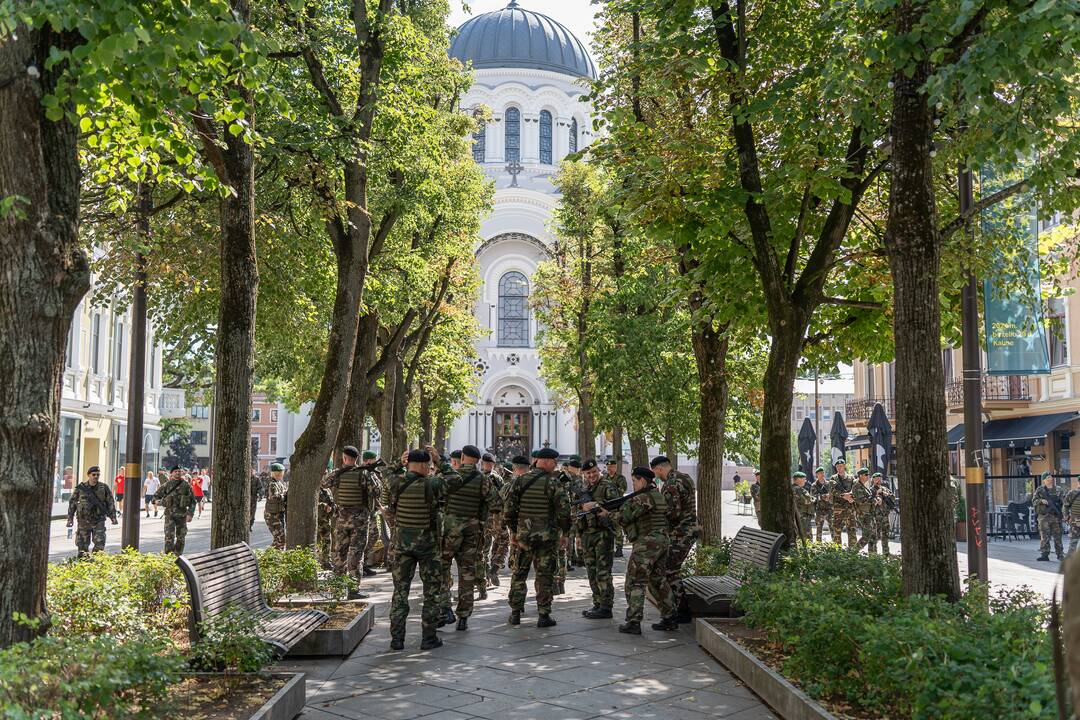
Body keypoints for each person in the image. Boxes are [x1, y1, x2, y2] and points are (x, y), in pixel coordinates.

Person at [504, 446, 571, 627]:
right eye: (555, 463)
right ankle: (543, 615)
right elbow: (564, 512)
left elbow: (508, 510)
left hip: (524, 537)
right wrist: (565, 533)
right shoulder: (553, 483)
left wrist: (514, 531)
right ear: (547, 461)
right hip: (546, 539)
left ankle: (515, 613)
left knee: (519, 574)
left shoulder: (520, 481)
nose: (556, 466)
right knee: (544, 576)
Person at [387, 449, 447, 651]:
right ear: (423, 465)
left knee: (400, 593)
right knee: (431, 593)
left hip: (402, 546)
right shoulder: (433, 484)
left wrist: (398, 462)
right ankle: (428, 638)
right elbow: (455, 479)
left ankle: (397, 640)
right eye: (429, 465)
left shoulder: (395, 482)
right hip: (428, 548)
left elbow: (386, 474)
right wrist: (440, 461)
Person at [606, 467, 677, 635]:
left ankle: (633, 621)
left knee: (635, 581)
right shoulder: (658, 495)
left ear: (642, 481)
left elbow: (624, 517)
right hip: (662, 541)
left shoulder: (642, 498)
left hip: (647, 544)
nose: (633, 485)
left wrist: (606, 514)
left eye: (634, 481)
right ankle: (670, 617)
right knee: (658, 580)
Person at [439, 445, 496, 631]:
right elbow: (496, 503)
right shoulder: (483, 480)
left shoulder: (451, 477)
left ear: (462, 457)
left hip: (450, 530)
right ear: (478, 461)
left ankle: (445, 607)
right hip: (472, 532)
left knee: (442, 568)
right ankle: (463, 617)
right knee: (467, 572)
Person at [651, 455, 700, 623]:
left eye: (656, 473)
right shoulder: (684, 477)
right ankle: (679, 609)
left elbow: (672, 513)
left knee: (669, 569)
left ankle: (681, 610)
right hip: (689, 529)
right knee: (671, 568)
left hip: (681, 532)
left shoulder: (671, 484)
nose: (657, 476)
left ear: (659, 469)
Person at [322, 447, 376, 591]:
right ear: (357, 458)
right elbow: (377, 491)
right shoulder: (364, 473)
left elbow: (323, 484)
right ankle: (353, 590)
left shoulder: (337, 474)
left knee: (340, 552)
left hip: (341, 520)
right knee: (356, 553)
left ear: (344, 458)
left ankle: (337, 588)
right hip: (360, 521)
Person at [578, 459, 619, 619]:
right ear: (584, 474)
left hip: (603, 534)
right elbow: (580, 514)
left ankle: (606, 606)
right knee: (591, 571)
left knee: (603, 571)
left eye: (594, 471)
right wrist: (578, 535)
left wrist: (596, 504)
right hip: (587, 534)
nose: (591, 475)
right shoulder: (585, 488)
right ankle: (597, 603)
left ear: (598, 470)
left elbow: (616, 506)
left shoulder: (608, 486)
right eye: (588, 473)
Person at [67, 466, 118, 557]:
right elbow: (72, 503)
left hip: (98, 520)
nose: (96, 476)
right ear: (88, 475)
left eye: (98, 475)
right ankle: (83, 565)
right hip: (83, 520)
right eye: (93, 474)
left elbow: (110, 502)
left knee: (99, 544)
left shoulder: (104, 488)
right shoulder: (81, 488)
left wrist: (113, 517)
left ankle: (96, 563)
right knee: (82, 545)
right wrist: (70, 519)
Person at [155, 466, 196, 555]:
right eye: (175, 471)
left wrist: (190, 514)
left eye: (179, 471)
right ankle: (169, 557)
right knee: (169, 536)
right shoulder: (167, 485)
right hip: (169, 516)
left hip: (182, 515)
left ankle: (178, 555)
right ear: (172, 473)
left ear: (181, 473)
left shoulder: (186, 485)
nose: (177, 473)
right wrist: (161, 502)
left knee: (181, 537)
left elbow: (193, 501)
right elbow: (155, 498)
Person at [1033, 471, 1064, 561]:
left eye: (1051, 477)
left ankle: (1060, 555)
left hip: (1056, 516)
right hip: (1044, 517)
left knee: (1058, 536)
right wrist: (1041, 501)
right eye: (1048, 478)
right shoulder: (1040, 489)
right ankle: (1045, 554)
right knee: (1044, 536)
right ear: (1044, 480)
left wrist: (1064, 514)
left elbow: (1064, 502)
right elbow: (1034, 501)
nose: (1050, 479)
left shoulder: (1058, 489)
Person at [361, 451, 382, 575]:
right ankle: (360, 564)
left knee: (374, 536)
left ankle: (362, 563)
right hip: (364, 511)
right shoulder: (364, 472)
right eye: (374, 460)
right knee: (366, 538)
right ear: (368, 460)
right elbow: (374, 491)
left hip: (371, 510)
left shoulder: (372, 472)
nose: (376, 462)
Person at [829, 459, 858, 547]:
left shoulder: (851, 477)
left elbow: (856, 488)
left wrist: (851, 496)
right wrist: (843, 495)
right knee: (836, 530)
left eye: (841, 466)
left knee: (852, 530)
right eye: (837, 467)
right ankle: (837, 552)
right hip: (838, 509)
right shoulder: (833, 478)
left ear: (844, 466)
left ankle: (852, 552)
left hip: (850, 508)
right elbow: (832, 490)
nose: (839, 468)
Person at [852, 468, 878, 554]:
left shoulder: (864, 486)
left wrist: (874, 498)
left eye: (868, 475)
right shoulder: (857, 486)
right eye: (866, 475)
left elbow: (869, 498)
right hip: (863, 515)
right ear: (860, 476)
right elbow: (860, 501)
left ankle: (873, 556)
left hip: (869, 514)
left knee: (873, 536)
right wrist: (872, 500)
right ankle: (852, 553)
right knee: (866, 537)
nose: (868, 477)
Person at [606, 457, 628, 557]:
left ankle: (619, 548)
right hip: (606, 506)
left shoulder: (620, 478)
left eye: (612, 467)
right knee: (607, 527)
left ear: (616, 467)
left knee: (617, 528)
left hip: (616, 506)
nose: (610, 468)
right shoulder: (604, 478)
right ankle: (608, 548)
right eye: (608, 466)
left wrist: (610, 490)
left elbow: (622, 490)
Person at [264, 464, 289, 549]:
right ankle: (274, 558)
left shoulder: (280, 483)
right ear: (273, 474)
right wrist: (285, 495)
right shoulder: (272, 484)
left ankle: (269, 558)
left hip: (279, 514)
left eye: (281, 474)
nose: (279, 476)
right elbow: (274, 497)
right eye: (277, 474)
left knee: (278, 539)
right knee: (281, 539)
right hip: (272, 515)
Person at [871, 472, 895, 555]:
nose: (878, 480)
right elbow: (869, 503)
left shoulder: (885, 489)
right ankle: (874, 555)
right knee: (875, 536)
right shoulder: (871, 490)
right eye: (876, 478)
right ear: (873, 479)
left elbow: (893, 498)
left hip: (885, 516)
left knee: (885, 536)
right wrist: (877, 495)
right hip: (875, 517)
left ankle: (886, 553)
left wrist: (887, 494)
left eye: (879, 478)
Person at [809, 467, 832, 542]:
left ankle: (835, 546)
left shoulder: (828, 484)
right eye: (819, 473)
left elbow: (833, 495)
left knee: (833, 529)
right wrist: (823, 497)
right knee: (819, 530)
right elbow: (813, 497)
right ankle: (819, 546)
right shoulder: (814, 485)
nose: (822, 475)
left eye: (822, 473)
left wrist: (830, 497)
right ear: (816, 475)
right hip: (819, 510)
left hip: (829, 509)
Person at [791, 471, 814, 541]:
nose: (805, 481)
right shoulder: (799, 490)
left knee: (798, 535)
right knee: (807, 536)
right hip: (803, 516)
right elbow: (807, 501)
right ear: (799, 480)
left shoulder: (791, 488)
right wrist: (814, 499)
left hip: (796, 516)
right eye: (804, 479)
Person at [1064, 476, 1080, 555]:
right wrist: (1066, 517)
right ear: (1078, 482)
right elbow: (1065, 505)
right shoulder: (1072, 493)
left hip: (1074, 521)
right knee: (1073, 541)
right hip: (1075, 521)